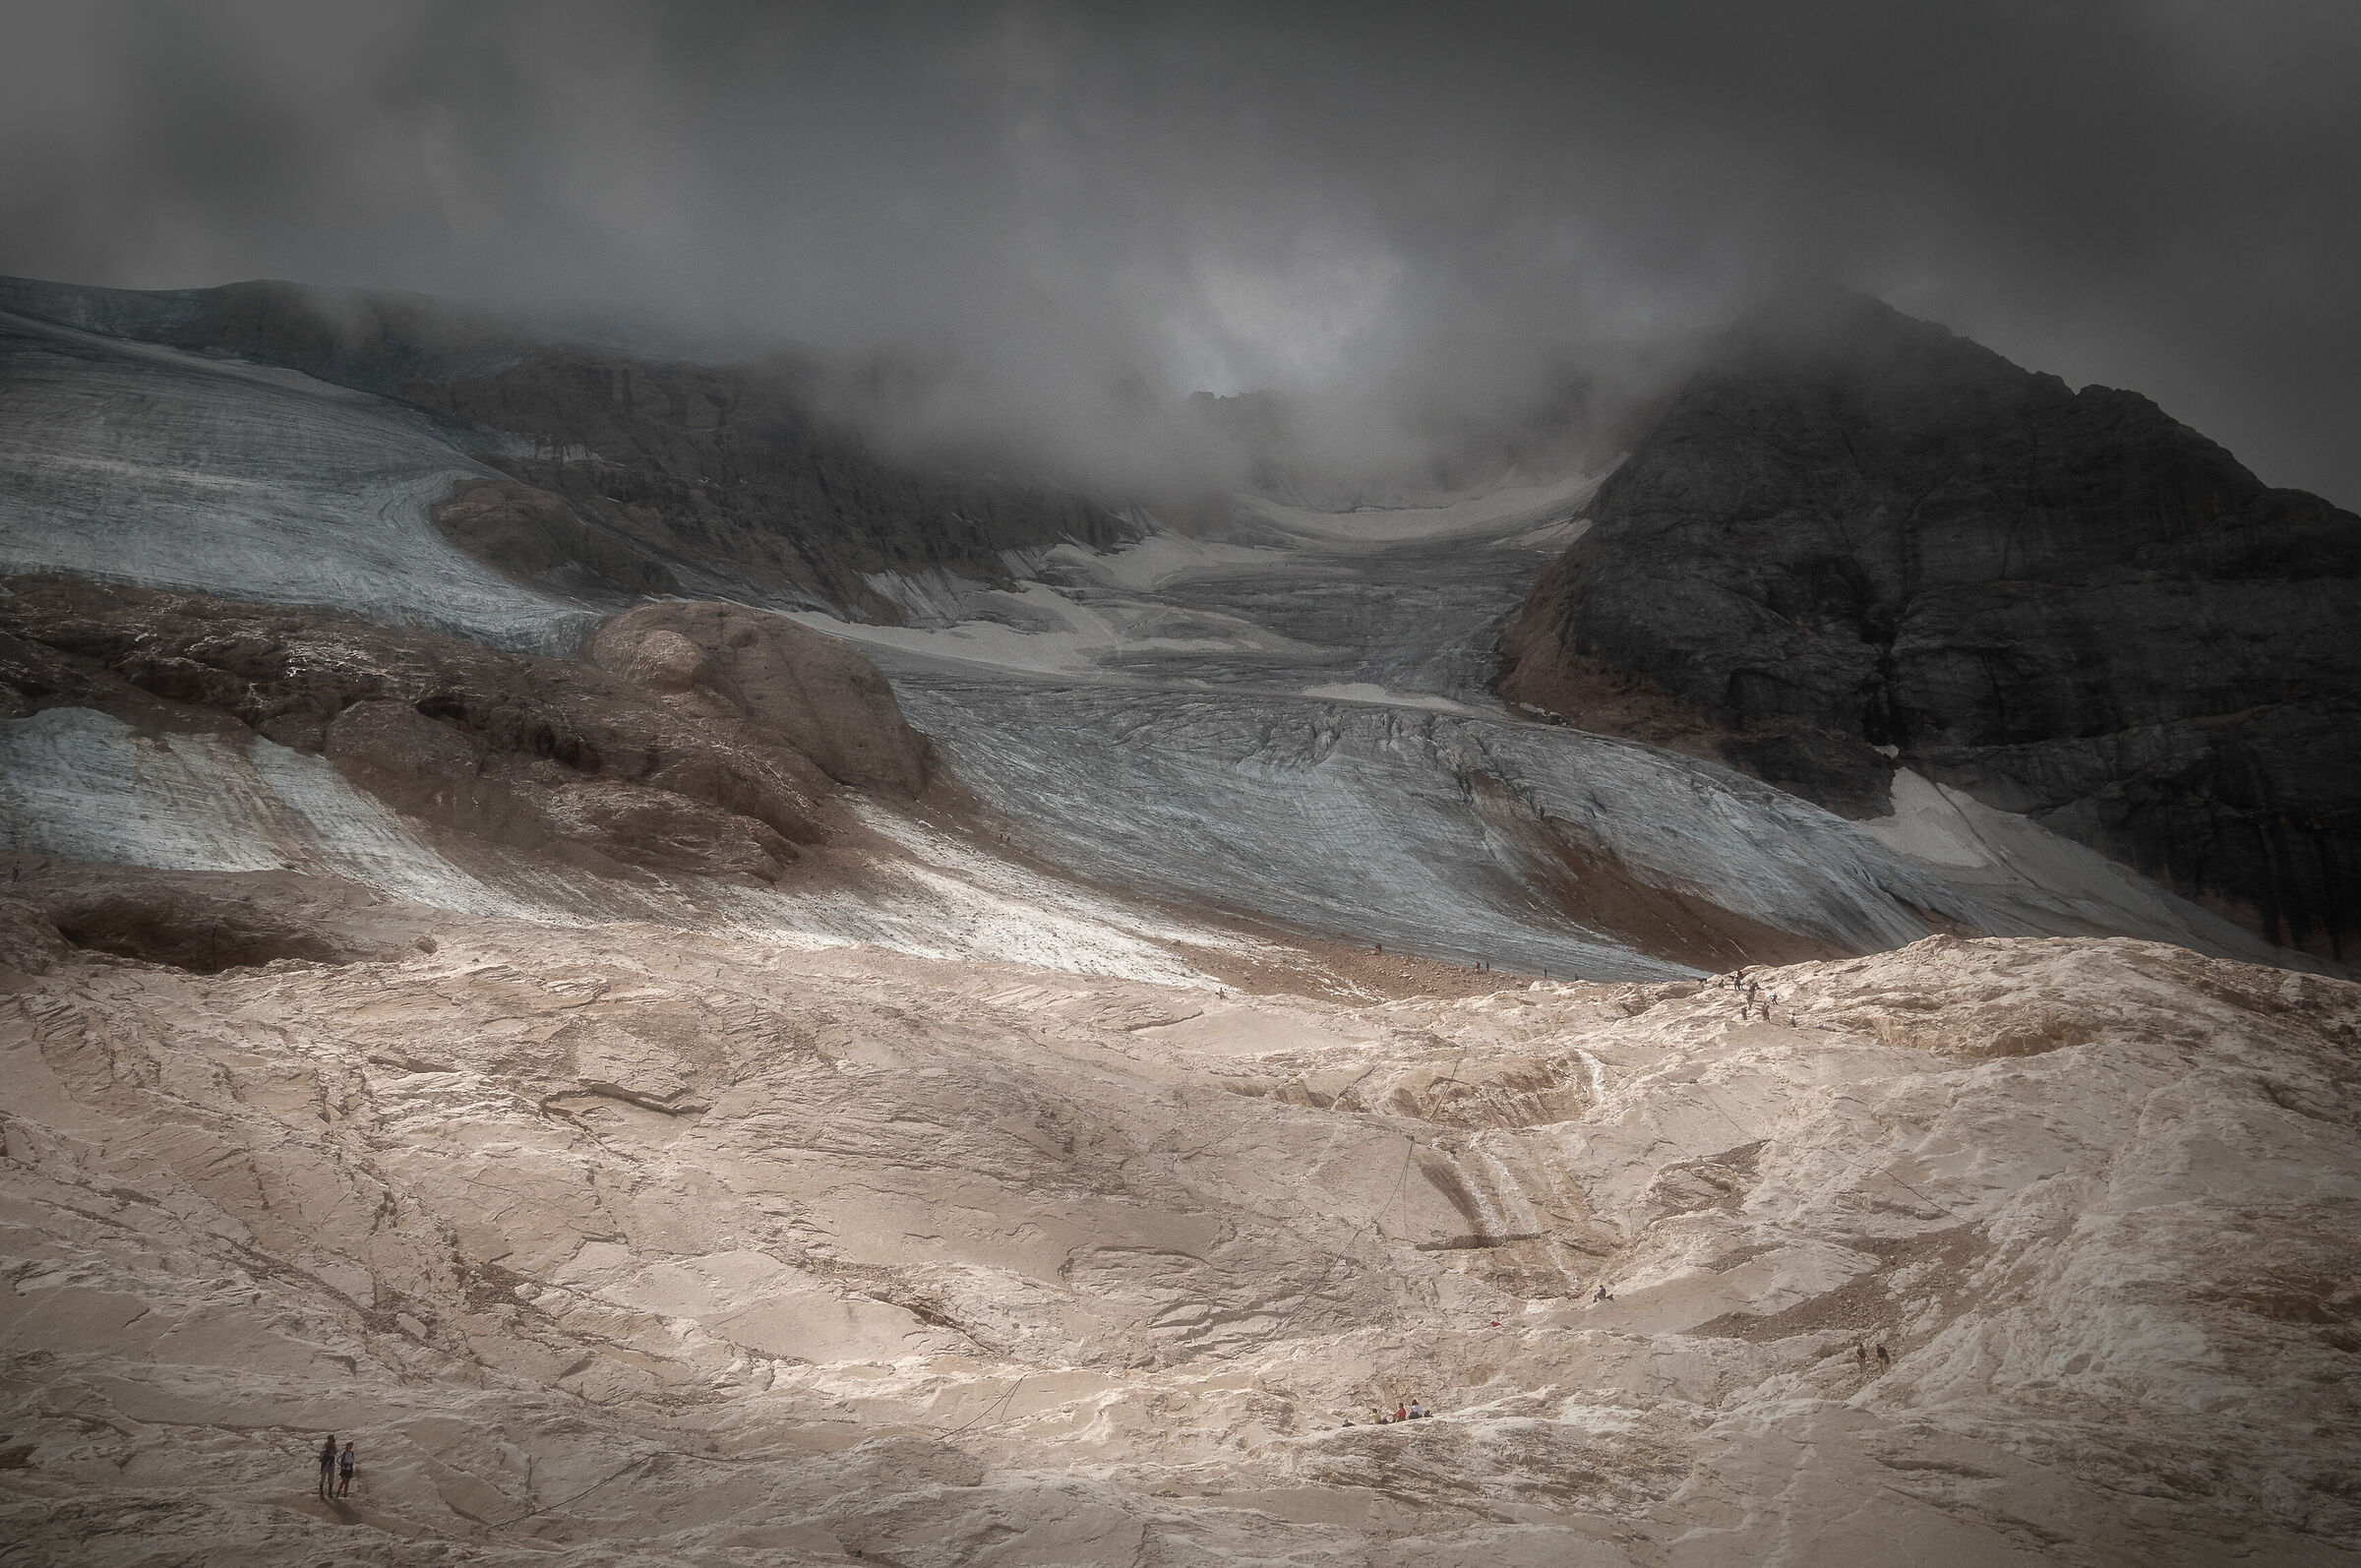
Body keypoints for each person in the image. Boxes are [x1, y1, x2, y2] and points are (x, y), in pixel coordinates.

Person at [316, 1434, 337, 1498]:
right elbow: (324, 1452)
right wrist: (329, 1447)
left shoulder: (334, 1445)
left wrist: (332, 1446)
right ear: (328, 1439)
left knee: (331, 1478)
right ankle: (321, 1492)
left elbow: (335, 1452)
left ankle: (330, 1492)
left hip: (331, 1462)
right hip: (325, 1462)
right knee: (322, 1478)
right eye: (331, 1439)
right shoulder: (325, 1445)